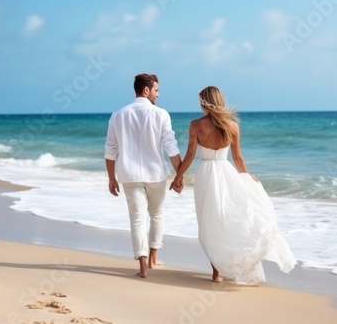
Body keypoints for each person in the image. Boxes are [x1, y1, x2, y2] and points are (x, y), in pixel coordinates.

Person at [169, 86, 296, 284]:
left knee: (209, 222)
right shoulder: (232, 126)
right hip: (226, 172)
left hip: (206, 175)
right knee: (226, 219)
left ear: (204, 102)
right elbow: (237, 157)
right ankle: (227, 264)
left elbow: (191, 155)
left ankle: (216, 272)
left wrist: (178, 177)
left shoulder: (196, 125)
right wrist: (246, 177)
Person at [105, 73, 182, 278]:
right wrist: (179, 174)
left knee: (137, 219)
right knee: (156, 214)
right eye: (156, 90)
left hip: (128, 175)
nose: (158, 94)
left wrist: (111, 178)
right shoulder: (161, 114)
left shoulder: (118, 115)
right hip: (156, 174)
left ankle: (142, 266)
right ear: (146, 90)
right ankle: (154, 259)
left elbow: (110, 150)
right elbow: (171, 148)